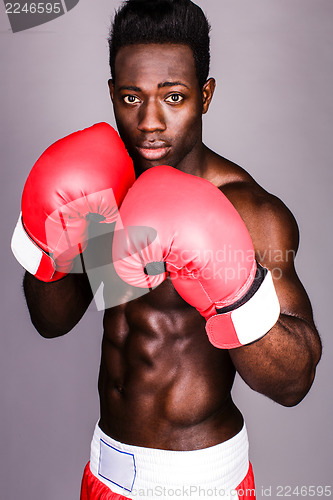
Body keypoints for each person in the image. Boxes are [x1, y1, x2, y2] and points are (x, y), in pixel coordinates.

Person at [11, 0, 322, 499]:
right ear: (112, 94)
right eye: (131, 98)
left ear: (205, 96)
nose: (150, 122)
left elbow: (295, 382)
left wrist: (234, 289)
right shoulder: (105, 186)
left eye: (173, 98)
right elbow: (52, 321)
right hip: (104, 470)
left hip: (198, 483)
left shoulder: (248, 209)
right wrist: (57, 243)